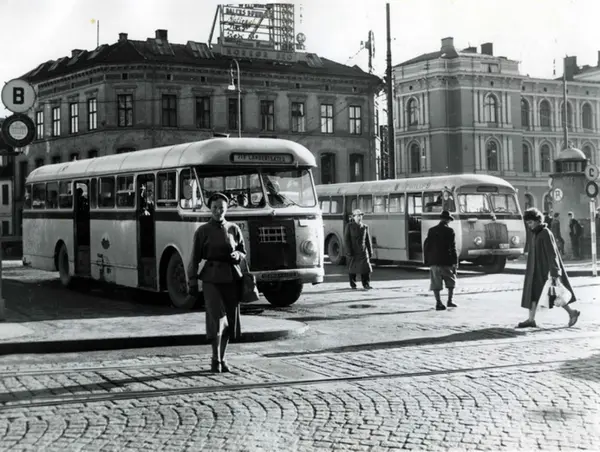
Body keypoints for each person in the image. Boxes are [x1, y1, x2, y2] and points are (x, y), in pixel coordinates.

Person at [188, 193, 246, 373]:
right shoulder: (202, 231)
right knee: (216, 318)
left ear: (226, 209)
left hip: (231, 277)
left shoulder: (234, 228)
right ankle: (215, 358)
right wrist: (192, 281)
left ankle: (223, 357)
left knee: (229, 320)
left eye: (222, 208)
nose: (218, 211)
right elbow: (194, 258)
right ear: (210, 209)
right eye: (215, 208)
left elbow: (242, 251)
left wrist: (238, 255)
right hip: (211, 279)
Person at [518, 208, 580, 328]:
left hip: (544, 271)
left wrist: (555, 272)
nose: (529, 225)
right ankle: (531, 319)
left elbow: (552, 254)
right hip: (535, 270)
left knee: (554, 294)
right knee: (533, 293)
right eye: (528, 223)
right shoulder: (535, 233)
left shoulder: (545, 233)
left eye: (530, 222)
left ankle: (572, 312)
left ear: (538, 220)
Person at [424, 210, 458, 311]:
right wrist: (455, 262)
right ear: (448, 220)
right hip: (446, 261)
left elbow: (427, 246)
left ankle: (438, 302)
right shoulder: (450, 231)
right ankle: (449, 301)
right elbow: (453, 247)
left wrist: (427, 260)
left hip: (434, 261)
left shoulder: (431, 230)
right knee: (451, 282)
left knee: (435, 283)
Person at [344, 209, 373, 290]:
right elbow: (347, 240)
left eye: (360, 215)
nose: (359, 217)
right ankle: (353, 284)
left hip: (363, 251)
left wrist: (370, 251)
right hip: (353, 251)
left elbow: (367, 240)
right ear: (354, 217)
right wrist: (349, 251)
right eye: (357, 216)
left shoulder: (365, 227)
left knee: (366, 268)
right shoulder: (349, 226)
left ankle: (366, 284)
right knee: (352, 268)